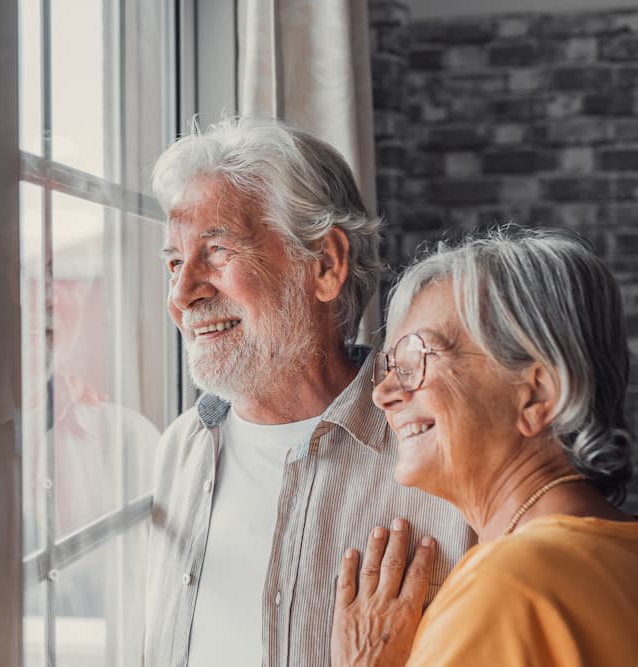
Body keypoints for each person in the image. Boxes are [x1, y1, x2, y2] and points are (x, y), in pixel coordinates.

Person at [143, 116, 474, 666]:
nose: (182, 294)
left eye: (217, 250)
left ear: (324, 264)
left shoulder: (441, 457)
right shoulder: (180, 449)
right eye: (175, 262)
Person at [331, 227, 638, 666]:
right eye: (390, 367)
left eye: (416, 361)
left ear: (538, 395)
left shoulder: (507, 590)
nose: (384, 393)